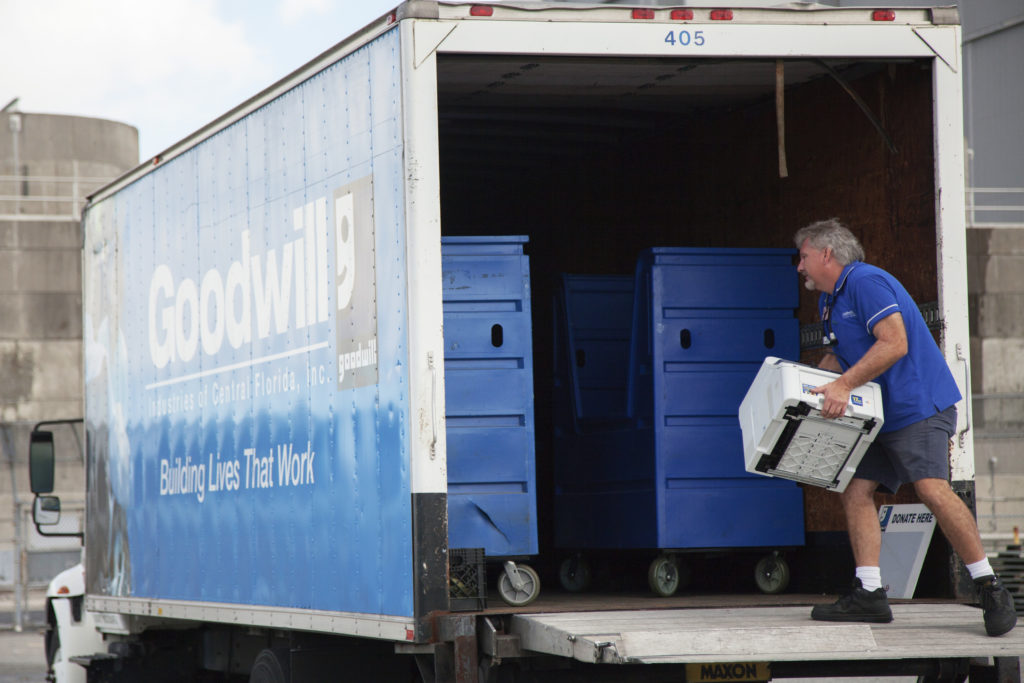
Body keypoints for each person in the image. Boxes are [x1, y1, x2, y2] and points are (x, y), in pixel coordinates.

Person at [794, 218, 1017, 637]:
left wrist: (843, 384)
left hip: (917, 406)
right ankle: (870, 594)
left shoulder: (865, 282)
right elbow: (841, 357)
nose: (799, 266)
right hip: (879, 413)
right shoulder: (829, 301)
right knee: (856, 489)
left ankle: (989, 586)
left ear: (826, 253)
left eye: (803, 256)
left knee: (931, 488)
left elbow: (895, 342)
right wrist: (803, 384)